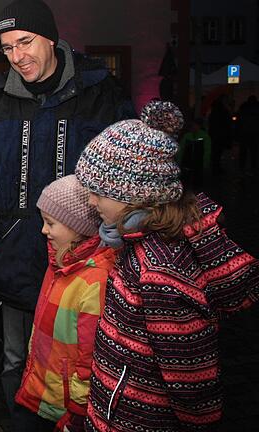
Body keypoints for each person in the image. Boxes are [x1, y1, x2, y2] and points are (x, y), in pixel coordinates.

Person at [0, 0, 135, 422]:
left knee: (90, 368)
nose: (17, 56)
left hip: (89, 268)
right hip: (16, 266)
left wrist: (115, 245)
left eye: (25, 41)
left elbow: (128, 180)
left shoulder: (101, 96)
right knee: (16, 366)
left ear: (52, 39)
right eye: (6, 48)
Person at [74, 101, 259, 431]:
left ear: (135, 195)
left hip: (139, 422)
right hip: (119, 411)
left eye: (98, 193)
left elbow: (192, 383)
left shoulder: (160, 271)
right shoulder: (137, 241)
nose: (91, 202)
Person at [14, 175, 114, 432]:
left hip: (64, 410)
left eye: (50, 223)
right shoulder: (58, 263)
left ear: (78, 228)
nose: (43, 230)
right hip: (39, 392)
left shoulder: (95, 281)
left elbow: (89, 358)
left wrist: (78, 414)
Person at [178, 117, 211, 189]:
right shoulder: (187, 136)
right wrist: (179, 160)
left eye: (196, 125)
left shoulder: (204, 136)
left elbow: (207, 151)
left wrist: (205, 163)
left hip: (198, 163)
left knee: (197, 184)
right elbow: (181, 149)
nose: (194, 127)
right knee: (185, 182)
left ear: (199, 126)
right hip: (187, 162)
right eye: (193, 125)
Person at [207, 95, 232, 175]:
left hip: (215, 134)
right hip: (220, 135)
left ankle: (216, 168)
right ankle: (217, 169)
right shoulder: (223, 111)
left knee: (216, 153)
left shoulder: (214, 111)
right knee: (218, 152)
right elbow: (227, 124)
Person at [237, 95, 259, 175]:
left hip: (244, 133)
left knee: (244, 152)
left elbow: (239, 121)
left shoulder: (243, 108)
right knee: (254, 151)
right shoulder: (257, 108)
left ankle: (242, 167)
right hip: (254, 133)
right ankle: (253, 167)